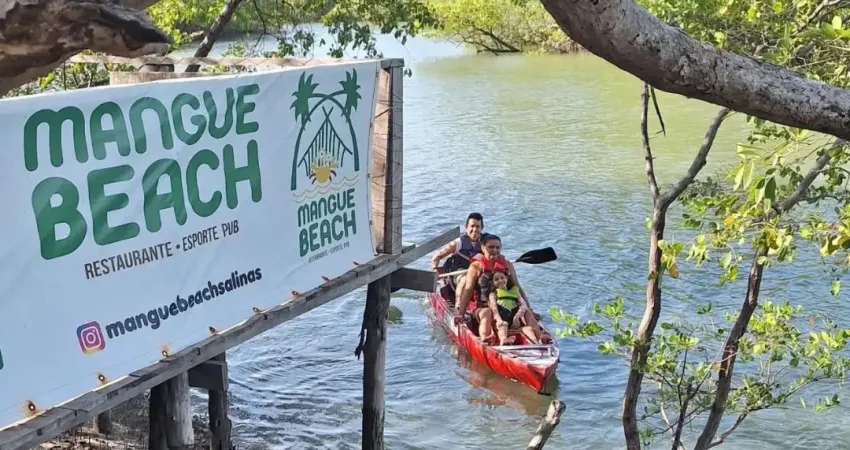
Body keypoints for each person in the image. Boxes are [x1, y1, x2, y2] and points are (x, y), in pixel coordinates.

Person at [430, 212, 484, 299]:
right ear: (466, 227)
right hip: (459, 273)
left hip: (476, 272)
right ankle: (460, 302)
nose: (474, 230)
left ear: (482, 228)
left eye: (478, 227)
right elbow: (436, 257)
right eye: (472, 226)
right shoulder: (458, 243)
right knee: (465, 280)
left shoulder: (485, 242)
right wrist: (435, 269)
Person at [488, 270, 544, 345]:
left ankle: (536, 344)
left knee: (528, 329)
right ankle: (503, 341)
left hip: (515, 324)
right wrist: (499, 320)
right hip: (501, 323)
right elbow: (494, 309)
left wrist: (516, 317)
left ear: (506, 278)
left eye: (502, 278)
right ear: (493, 283)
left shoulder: (515, 292)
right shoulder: (493, 294)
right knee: (504, 325)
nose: (500, 280)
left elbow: (524, 306)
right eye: (496, 279)